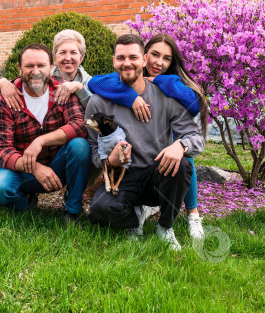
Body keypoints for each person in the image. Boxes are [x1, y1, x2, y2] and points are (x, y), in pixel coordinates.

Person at [85, 34, 205, 250]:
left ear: (144, 60)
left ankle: (165, 227)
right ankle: (132, 223)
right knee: (100, 210)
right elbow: (93, 149)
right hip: (122, 178)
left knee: (183, 165)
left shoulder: (166, 96)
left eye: (133, 57)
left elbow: (196, 138)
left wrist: (180, 146)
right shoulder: (98, 101)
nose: (127, 63)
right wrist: (109, 161)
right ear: (114, 61)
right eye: (121, 58)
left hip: (157, 175)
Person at [0, 43, 91, 223]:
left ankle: (73, 210)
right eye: (29, 66)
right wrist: (35, 168)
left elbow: (79, 125)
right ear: (19, 68)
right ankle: (25, 201)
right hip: (24, 169)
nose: (35, 71)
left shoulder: (62, 89)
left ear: (51, 67)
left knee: (80, 145)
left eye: (41, 65)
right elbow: (2, 151)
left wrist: (40, 141)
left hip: (59, 165)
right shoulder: (6, 98)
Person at [0, 29, 92, 172]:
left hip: (63, 142)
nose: (68, 57)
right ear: (54, 59)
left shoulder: (89, 82)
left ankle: (81, 185)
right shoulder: (41, 72)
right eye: (62, 52)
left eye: (74, 52)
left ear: (82, 57)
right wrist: (1, 82)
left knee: (84, 146)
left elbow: (92, 112)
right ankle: (10, 176)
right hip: (26, 146)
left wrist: (79, 88)